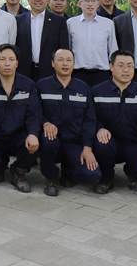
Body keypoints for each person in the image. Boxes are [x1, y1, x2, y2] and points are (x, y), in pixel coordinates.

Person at [91, 50, 137, 194]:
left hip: (136, 145)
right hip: (112, 144)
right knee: (101, 144)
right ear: (111, 67)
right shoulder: (97, 91)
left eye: (130, 66)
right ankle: (107, 177)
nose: (126, 70)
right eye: (121, 65)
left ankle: (133, 172)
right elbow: (91, 118)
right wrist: (100, 128)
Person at [0, 44, 41, 193]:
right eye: (2, 59)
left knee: (35, 143)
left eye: (11, 59)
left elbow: (33, 113)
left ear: (17, 63)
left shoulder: (28, 85)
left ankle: (19, 171)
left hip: (18, 136)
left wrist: (33, 133)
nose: (7, 63)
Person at [37, 48, 100, 196]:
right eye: (60, 60)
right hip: (52, 141)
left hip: (74, 142)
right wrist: (45, 123)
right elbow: (34, 112)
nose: (65, 64)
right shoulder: (42, 86)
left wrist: (87, 147)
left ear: (74, 63)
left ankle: (68, 171)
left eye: (68, 60)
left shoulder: (83, 88)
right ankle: (51, 177)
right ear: (53, 63)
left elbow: (90, 120)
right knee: (47, 141)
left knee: (92, 175)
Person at [14, 0, 69, 80]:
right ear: (28, 0)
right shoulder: (18, 20)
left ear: (47, 0)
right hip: (24, 72)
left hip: (50, 72)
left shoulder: (59, 21)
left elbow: (63, 48)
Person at [66, 0, 119, 87]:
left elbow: (113, 50)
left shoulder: (108, 23)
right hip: (77, 73)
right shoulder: (71, 23)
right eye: (86, 0)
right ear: (79, 4)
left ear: (98, 4)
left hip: (102, 74)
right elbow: (67, 49)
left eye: (94, 0)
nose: (90, 4)